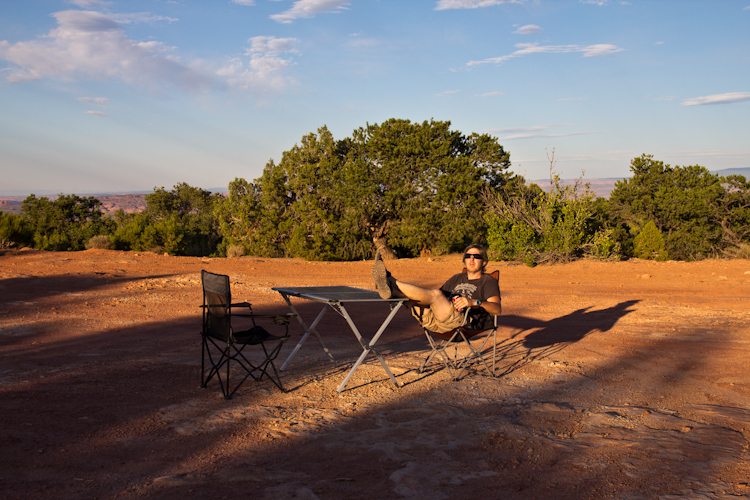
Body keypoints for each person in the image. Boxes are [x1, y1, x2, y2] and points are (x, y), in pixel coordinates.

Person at [372, 244, 502, 333]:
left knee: (435, 294)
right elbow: (432, 298)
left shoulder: (488, 281)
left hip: (459, 322)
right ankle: (392, 291)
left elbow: (497, 309)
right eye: (468, 256)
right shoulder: (457, 278)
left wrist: (473, 302)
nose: (471, 259)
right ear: (464, 260)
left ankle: (391, 281)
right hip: (432, 319)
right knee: (428, 295)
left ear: (484, 262)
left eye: (476, 257)